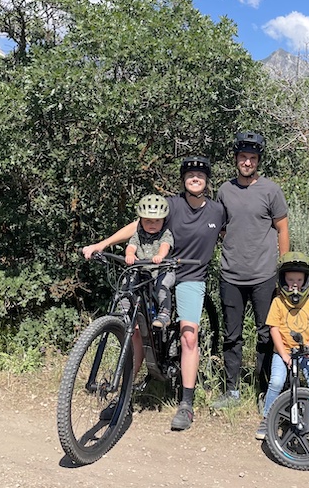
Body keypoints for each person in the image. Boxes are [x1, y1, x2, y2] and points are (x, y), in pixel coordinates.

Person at [82, 156, 224, 432]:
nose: (195, 179)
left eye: (200, 175)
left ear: (207, 181)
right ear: (184, 179)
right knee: (133, 330)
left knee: (188, 334)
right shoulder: (171, 205)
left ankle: (186, 403)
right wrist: (103, 243)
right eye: (190, 175)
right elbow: (138, 227)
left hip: (190, 276)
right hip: (155, 272)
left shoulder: (218, 211)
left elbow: (233, 235)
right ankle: (125, 394)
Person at [212, 131, 290, 409]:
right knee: (231, 335)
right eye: (243, 157)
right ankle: (231, 391)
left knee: (267, 334)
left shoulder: (271, 190)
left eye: (252, 158)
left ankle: (265, 392)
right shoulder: (224, 190)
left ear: (258, 161)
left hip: (264, 275)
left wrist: (285, 266)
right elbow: (220, 227)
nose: (247, 162)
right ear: (236, 159)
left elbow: (282, 227)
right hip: (231, 274)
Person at [256, 251, 309, 440]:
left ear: (306, 281)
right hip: (283, 352)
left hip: (304, 352)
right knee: (276, 382)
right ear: (283, 279)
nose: (295, 283)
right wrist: (283, 354)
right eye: (291, 279)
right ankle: (268, 419)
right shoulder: (278, 302)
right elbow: (273, 328)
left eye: (299, 279)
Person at [125, 194, 174, 328]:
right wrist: (130, 254)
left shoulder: (165, 233)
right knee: (127, 282)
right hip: (142, 270)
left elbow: (165, 245)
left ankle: (164, 314)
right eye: (147, 221)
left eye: (157, 221)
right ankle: (123, 309)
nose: (152, 224)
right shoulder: (138, 234)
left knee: (162, 287)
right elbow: (131, 246)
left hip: (162, 270)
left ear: (164, 221)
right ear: (140, 220)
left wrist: (160, 255)